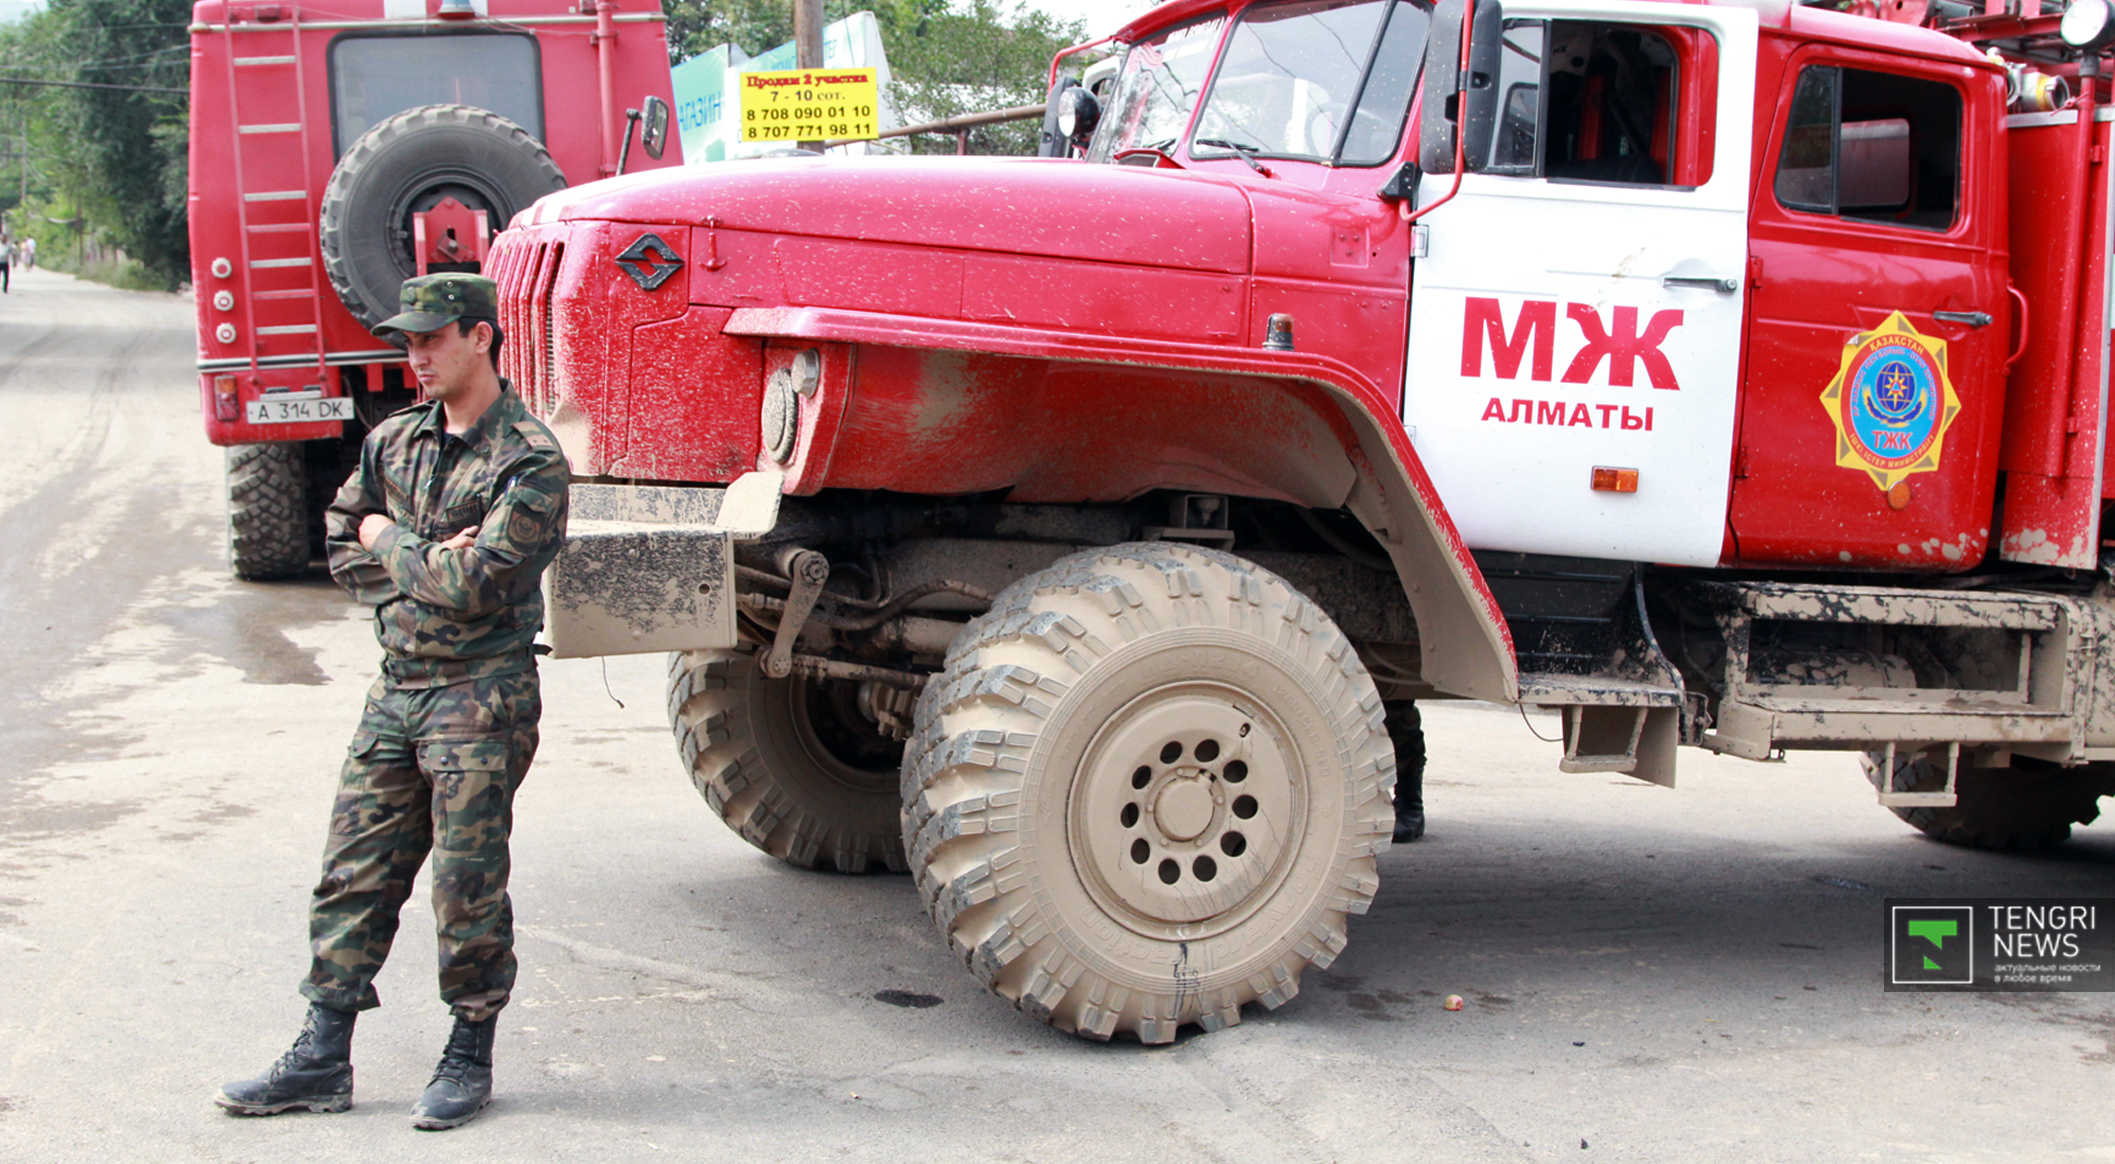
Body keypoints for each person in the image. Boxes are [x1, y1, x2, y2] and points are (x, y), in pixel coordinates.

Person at [215, 273, 570, 1131]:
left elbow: (478, 581)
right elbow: (341, 538)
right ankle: (321, 1054)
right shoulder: (394, 441)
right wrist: (413, 559)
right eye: (407, 342)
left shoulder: (529, 459)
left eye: (431, 339)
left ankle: (468, 1053)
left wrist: (394, 540)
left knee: (466, 884)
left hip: (480, 695)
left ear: (480, 337)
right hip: (398, 686)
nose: (415, 356)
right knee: (354, 870)